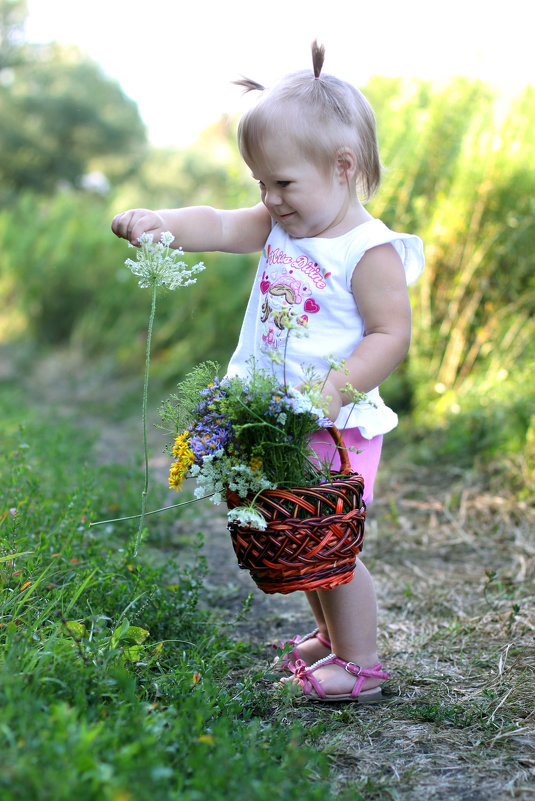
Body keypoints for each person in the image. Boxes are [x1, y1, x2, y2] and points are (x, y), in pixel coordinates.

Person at [111, 41, 424, 703]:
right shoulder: (281, 223)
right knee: (290, 529)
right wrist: (161, 223)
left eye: (282, 182)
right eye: (261, 182)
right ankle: (328, 635)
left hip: (332, 423)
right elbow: (220, 224)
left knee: (328, 540)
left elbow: (390, 333)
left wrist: (339, 385)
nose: (269, 198)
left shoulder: (367, 250)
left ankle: (360, 659)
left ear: (342, 167)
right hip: (268, 412)